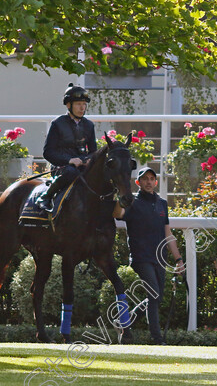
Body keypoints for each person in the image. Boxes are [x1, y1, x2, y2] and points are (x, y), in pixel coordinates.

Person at [114, 166, 184, 345]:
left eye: (152, 179)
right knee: (154, 295)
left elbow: (167, 233)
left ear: (156, 182)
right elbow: (118, 214)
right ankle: (157, 338)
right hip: (141, 257)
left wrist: (178, 259)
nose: (149, 182)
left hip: (160, 258)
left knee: (157, 297)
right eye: (145, 179)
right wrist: (118, 196)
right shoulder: (132, 202)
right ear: (138, 182)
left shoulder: (162, 204)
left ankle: (125, 321)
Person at [36, 83, 97, 212]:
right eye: (78, 104)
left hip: (82, 166)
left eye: (84, 104)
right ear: (69, 105)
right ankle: (46, 197)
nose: (82, 108)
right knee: (71, 172)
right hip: (62, 167)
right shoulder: (57, 123)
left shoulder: (89, 125)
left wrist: (89, 159)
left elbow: (93, 151)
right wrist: (69, 160)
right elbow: (48, 152)